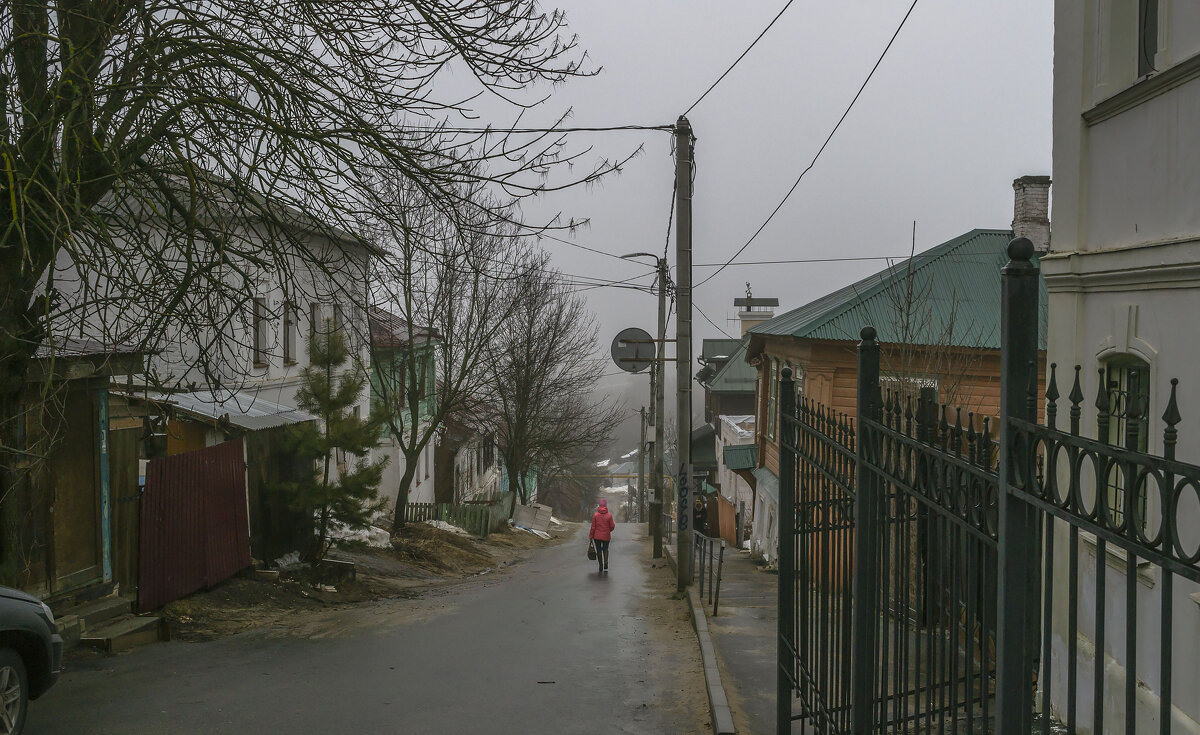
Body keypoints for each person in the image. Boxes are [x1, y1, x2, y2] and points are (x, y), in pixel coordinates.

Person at [589, 498, 616, 573]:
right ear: (606, 505)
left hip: (597, 537)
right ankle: (606, 562)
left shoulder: (595, 515)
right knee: (605, 549)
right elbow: (612, 526)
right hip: (606, 536)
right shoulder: (609, 516)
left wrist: (591, 536)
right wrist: (608, 530)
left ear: (599, 505)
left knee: (599, 550)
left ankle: (600, 565)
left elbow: (593, 527)